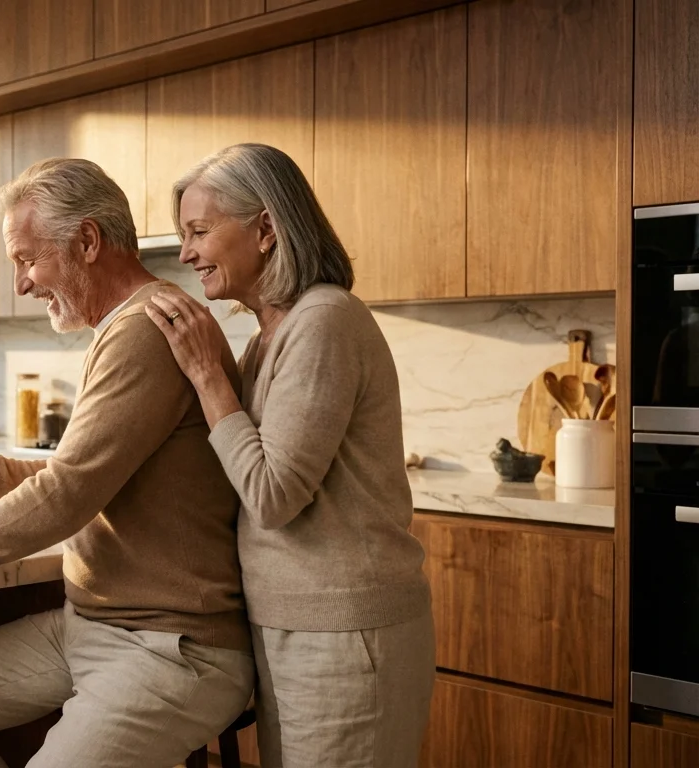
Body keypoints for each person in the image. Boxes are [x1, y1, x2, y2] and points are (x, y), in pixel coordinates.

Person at [0, 158, 254, 767]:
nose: (22, 284)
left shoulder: (145, 329)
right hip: (95, 627)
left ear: (87, 241)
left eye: (27, 259)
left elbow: (67, 495)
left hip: (172, 646)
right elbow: (85, 479)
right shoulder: (125, 324)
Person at [143, 143, 435, 768]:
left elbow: (272, 496)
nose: (187, 252)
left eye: (198, 231)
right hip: (296, 627)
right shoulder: (269, 337)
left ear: (267, 229)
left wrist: (206, 376)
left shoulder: (324, 320)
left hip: (344, 632)